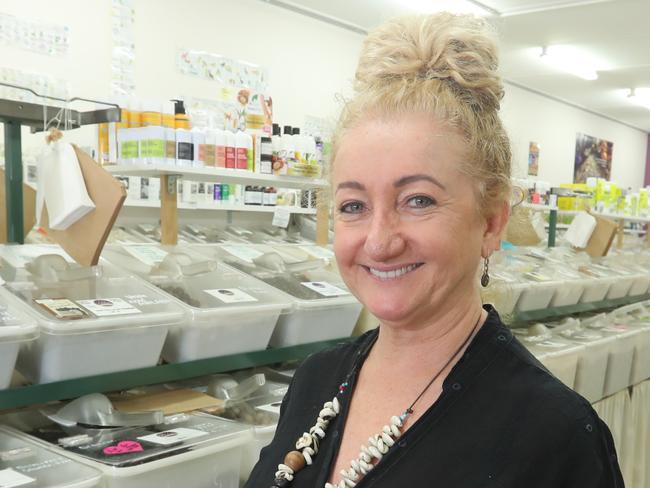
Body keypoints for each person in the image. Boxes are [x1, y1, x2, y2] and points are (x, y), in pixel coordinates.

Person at [245, 13, 624, 488]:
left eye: (418, 200)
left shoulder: (553, 434)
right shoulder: (315, 381)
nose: (380, 241)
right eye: (354, 205)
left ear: (490, 222)